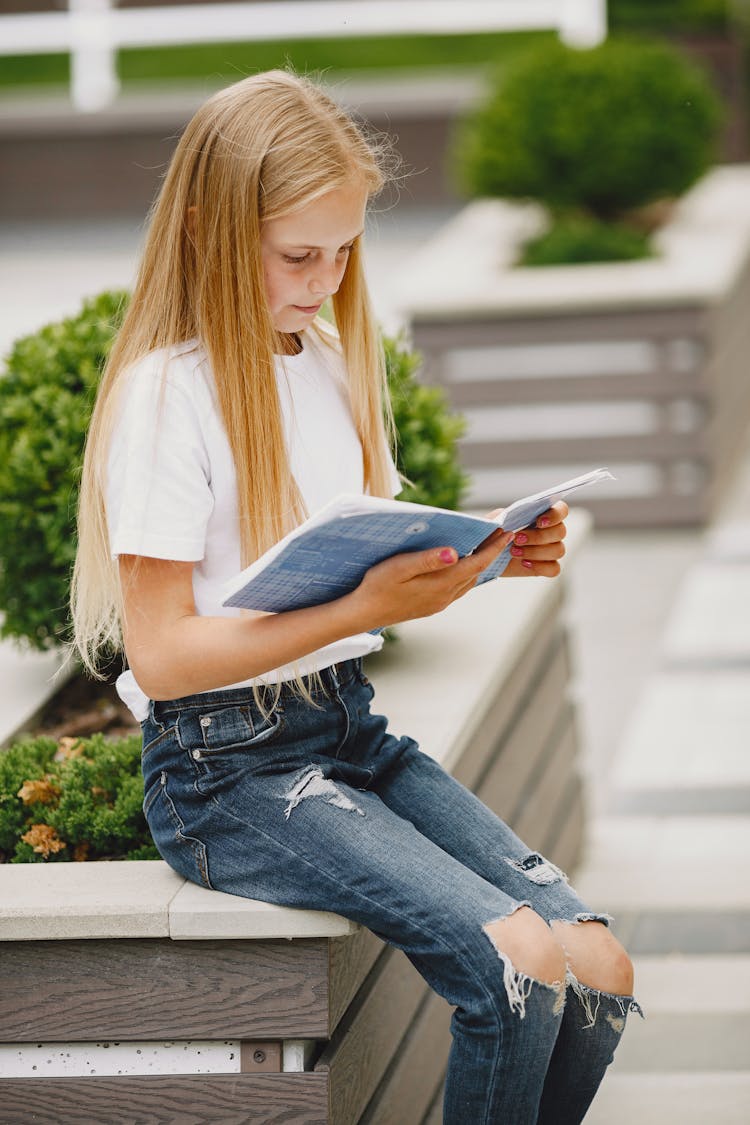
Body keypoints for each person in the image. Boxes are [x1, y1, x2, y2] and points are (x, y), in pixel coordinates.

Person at [72, 70, 640, 1123]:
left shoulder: (324, 360)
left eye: (344, 253)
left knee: (595, 967)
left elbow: (348, 567)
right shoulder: (168, 396)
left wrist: (482, 559)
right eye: (300, 254)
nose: (327, 280)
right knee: (515, 967)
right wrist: (364, 610)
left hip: (346, 733)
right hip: (223, 775)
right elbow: (161, 659)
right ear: (206, 230)